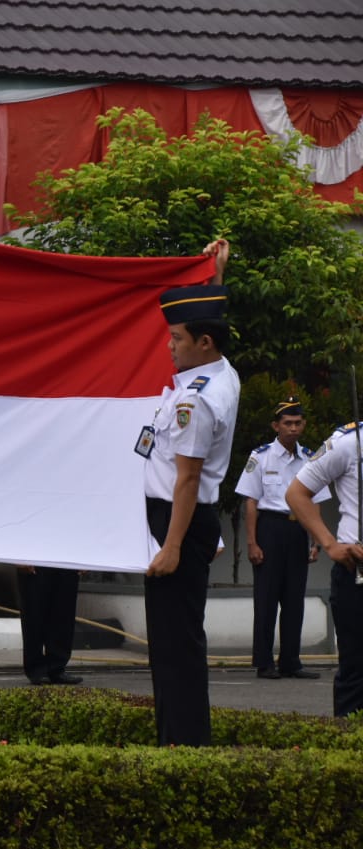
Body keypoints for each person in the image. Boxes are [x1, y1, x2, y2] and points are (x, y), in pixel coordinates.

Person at [140, 238, 238, 747]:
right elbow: (211, 325)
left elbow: (188, 478)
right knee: (176, 640)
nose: (169, 345)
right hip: (181, 518)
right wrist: (214, 279)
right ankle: (180, 739)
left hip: (176, 521)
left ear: (202, 342)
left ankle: (181, 745)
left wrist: (171, 547)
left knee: (175, 645)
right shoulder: (216, 370)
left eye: (176, 337)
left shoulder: (197, 401)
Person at [235, 397, 328, 680]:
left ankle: (290, 661)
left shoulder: (310, 458)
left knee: (293, 599)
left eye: (298, 423)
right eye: (287, 423)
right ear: (276, 426)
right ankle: (264, 663)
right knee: (266, 598)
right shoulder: (261, 457)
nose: (293, 428)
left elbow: (315, 502)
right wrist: (252, 542)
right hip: (270, 529)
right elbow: (251, 502)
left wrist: (316, 540)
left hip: (297, 529)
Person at [287, 423, 363, 716]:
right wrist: (330, 544)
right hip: (356, 570)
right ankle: (348, 753)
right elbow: (297, 494)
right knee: (356, 671)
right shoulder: (347, 442)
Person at [17, 565, 82, 685]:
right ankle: (36, 669)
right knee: (34, 611)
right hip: (36, 558)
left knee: (63, 613)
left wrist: (84, 560)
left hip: (66, 558)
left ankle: (57, 668)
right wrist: (20, 559)